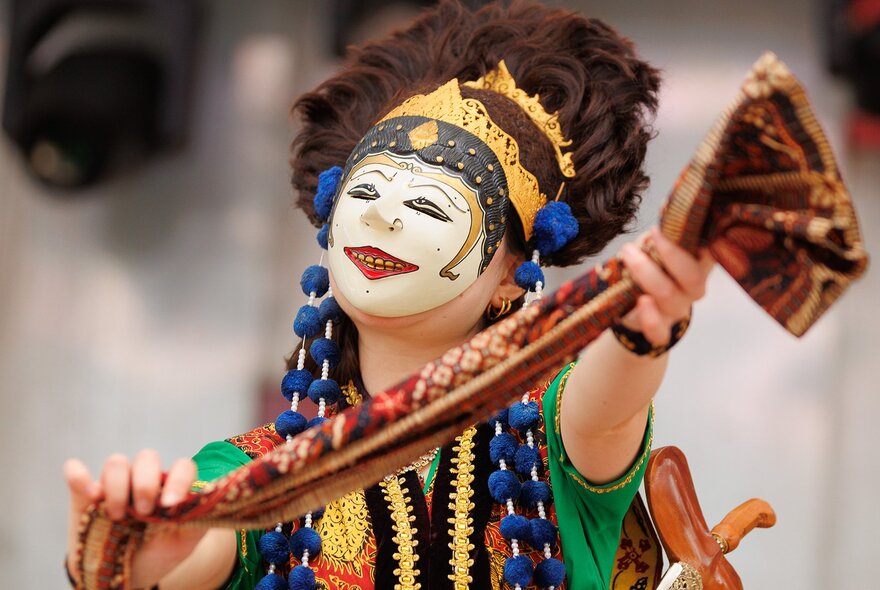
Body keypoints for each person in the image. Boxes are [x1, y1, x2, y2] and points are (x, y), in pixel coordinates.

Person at [64, 1, 714, 589]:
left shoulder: (551, 437)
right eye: (367, 193)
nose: (381, 218)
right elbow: (192, 545)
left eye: (430, 205)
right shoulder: (259, 470)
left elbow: (612, 393)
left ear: (512, 274)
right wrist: (128, 553)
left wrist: (644, 323)